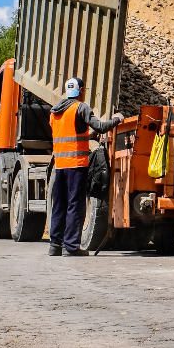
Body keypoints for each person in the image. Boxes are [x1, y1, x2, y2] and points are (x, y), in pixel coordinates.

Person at [48, 76, 121, 256]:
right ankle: (71, 246)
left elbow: (69, 133)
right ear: (81, 90)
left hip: (60, 165)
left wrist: (88, 134)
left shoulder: (55, 112)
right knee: (75, 204)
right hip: (76, 165)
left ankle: (54, 245)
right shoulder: (80, 108)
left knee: (59, 204)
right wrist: (117, 119)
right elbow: (101, 126)